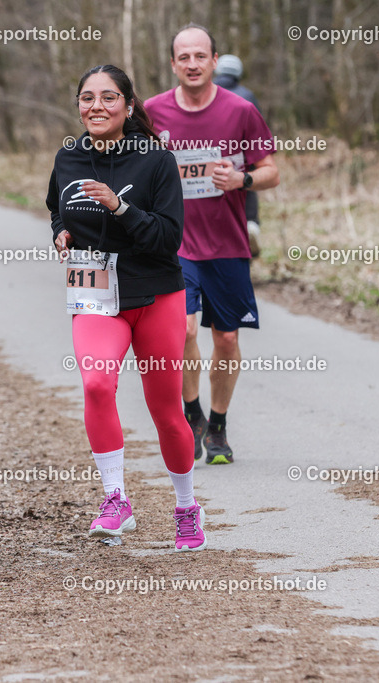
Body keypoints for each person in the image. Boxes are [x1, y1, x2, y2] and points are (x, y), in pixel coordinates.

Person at [47, 64, 205, 552]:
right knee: (96, 383)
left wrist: (120, 208)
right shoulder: (68, 157)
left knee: (166, 411)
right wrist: (60, 231)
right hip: (94, 294)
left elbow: (168, 238)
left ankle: (186, 507)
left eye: (109, 97)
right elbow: (57, 204)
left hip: (155, 293)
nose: (96, 106)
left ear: (129, 105)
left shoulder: (155, 161)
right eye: (87, 97)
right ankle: (115, 498)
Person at [145, 24, 279, 465]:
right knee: (182, 329)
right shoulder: (151, 113)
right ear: (173, 64)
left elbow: (271, 171)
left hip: (226, 244)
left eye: (200, 56)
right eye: (183, 57)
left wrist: (241, 179)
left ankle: (217, 425)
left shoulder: (240, 111)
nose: (192, 64)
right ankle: (191, 411)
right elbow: (132, 167)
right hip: (174, 245)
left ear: (214, 61)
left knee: (225, 338)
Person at [213, 54, 262, 258]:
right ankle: (250, 226)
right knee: (247, 187)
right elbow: (259, 130)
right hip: (241, 157)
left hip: (209, 158)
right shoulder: (248, 96)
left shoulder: (207, 94)